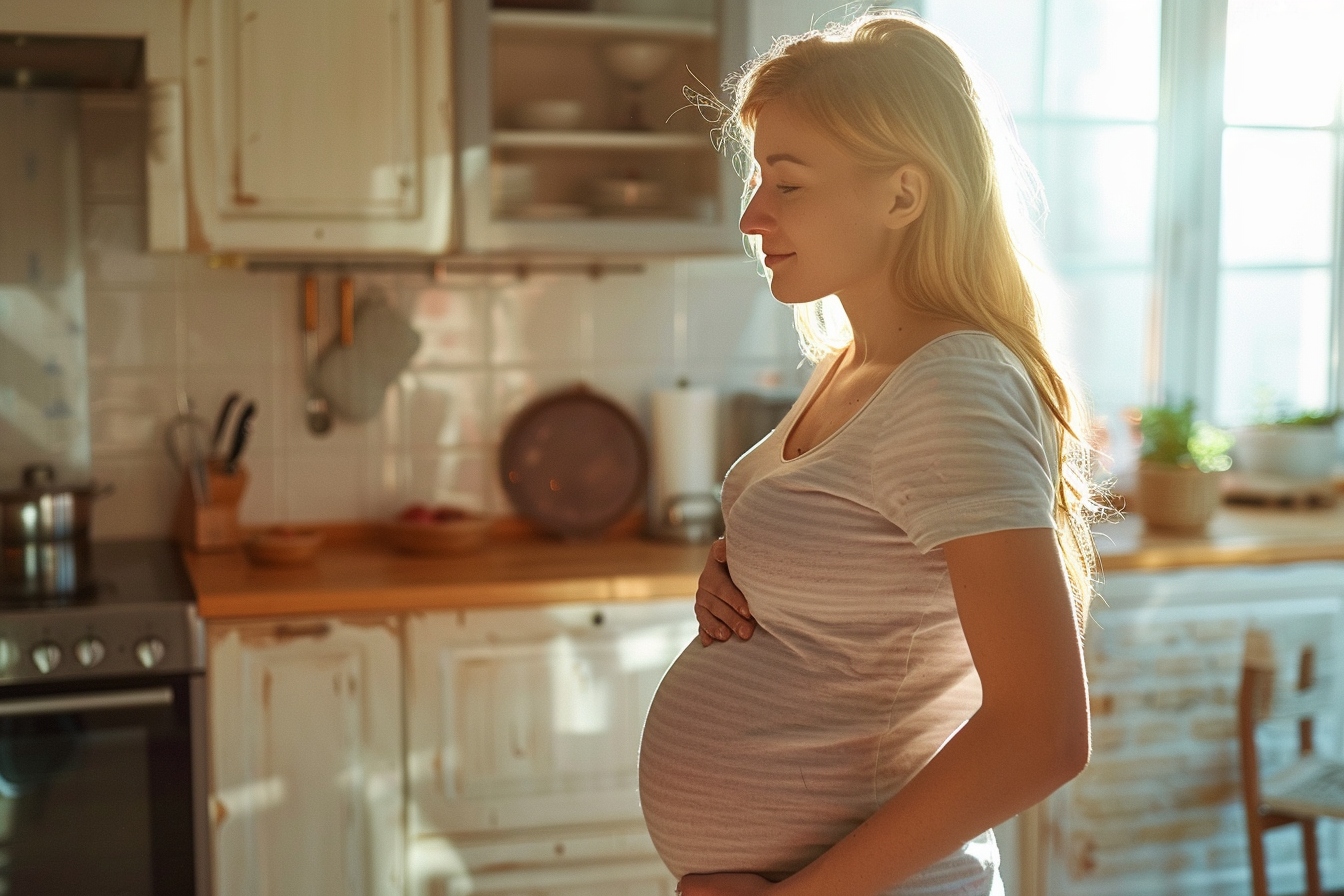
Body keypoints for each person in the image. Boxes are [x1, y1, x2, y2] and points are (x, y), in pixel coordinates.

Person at [637, 11, 1103, 896]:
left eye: (789, 183)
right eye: (757, 177)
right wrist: (749, 567)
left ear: (901, 195)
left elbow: (1043, 732)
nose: (751, 215)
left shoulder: (954, 383)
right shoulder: (854, 364)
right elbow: (872, 575)